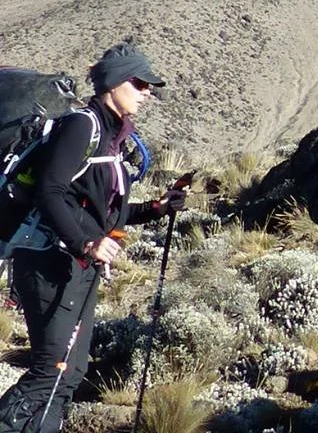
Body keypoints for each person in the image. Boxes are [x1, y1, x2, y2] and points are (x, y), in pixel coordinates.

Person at [0, 45, 185, 433]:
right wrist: (87, 244)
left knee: (71, 372)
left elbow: (98, 210)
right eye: (139, 83)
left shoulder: (113, 140)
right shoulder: (83, 126)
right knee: (52, 369)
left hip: (76, 268)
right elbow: (50, 192)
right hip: (50, 262)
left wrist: (155, 208)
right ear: (114, 83)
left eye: (148, 85)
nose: (146, 91)